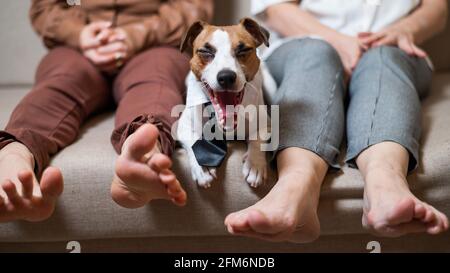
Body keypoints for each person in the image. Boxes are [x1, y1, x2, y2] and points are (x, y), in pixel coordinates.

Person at [225, 0, 449, 242]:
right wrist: (338, 42)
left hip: (393, 48)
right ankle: (296, 187)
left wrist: (405, 29)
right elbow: (274, 7)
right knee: (316, 51)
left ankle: (386, 184)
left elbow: (436, 7)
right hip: (303, 43)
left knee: (382, 57)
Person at [0, 0, 213, 223]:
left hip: (157, 47)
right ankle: (14, 155)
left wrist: (133, 36)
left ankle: (144, 152)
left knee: (154, 81)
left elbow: (193, 7)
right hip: (77, 51)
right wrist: (79, 34)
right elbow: (44, 7)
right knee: (61, 81)